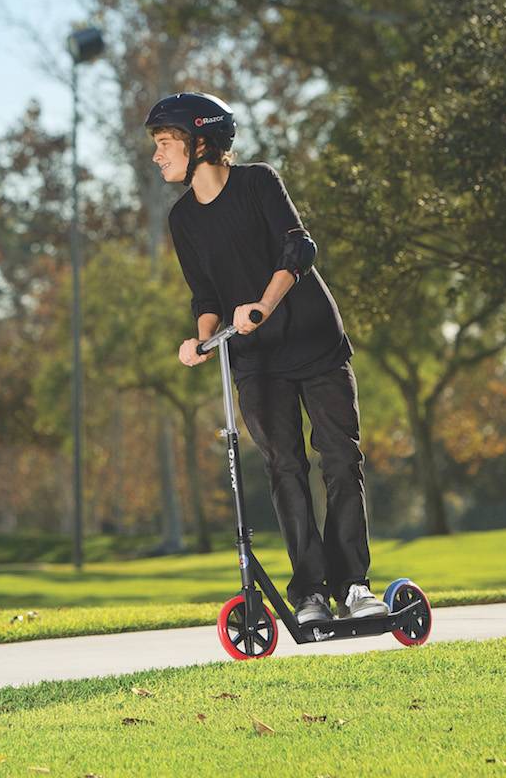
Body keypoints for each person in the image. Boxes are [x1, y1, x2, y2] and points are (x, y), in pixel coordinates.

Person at [145, 91, 388, 624]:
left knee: (341, 460)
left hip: (312, 341)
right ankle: (310, 593)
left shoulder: (259, 182)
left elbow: (298, 249)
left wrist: (263, 305)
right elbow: (205, 296)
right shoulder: (182, 218)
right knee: (284, 468)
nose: (158, 155)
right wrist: (201, 339)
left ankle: (355, 586)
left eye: (166, 143)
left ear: (202, 142)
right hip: (254, 357)